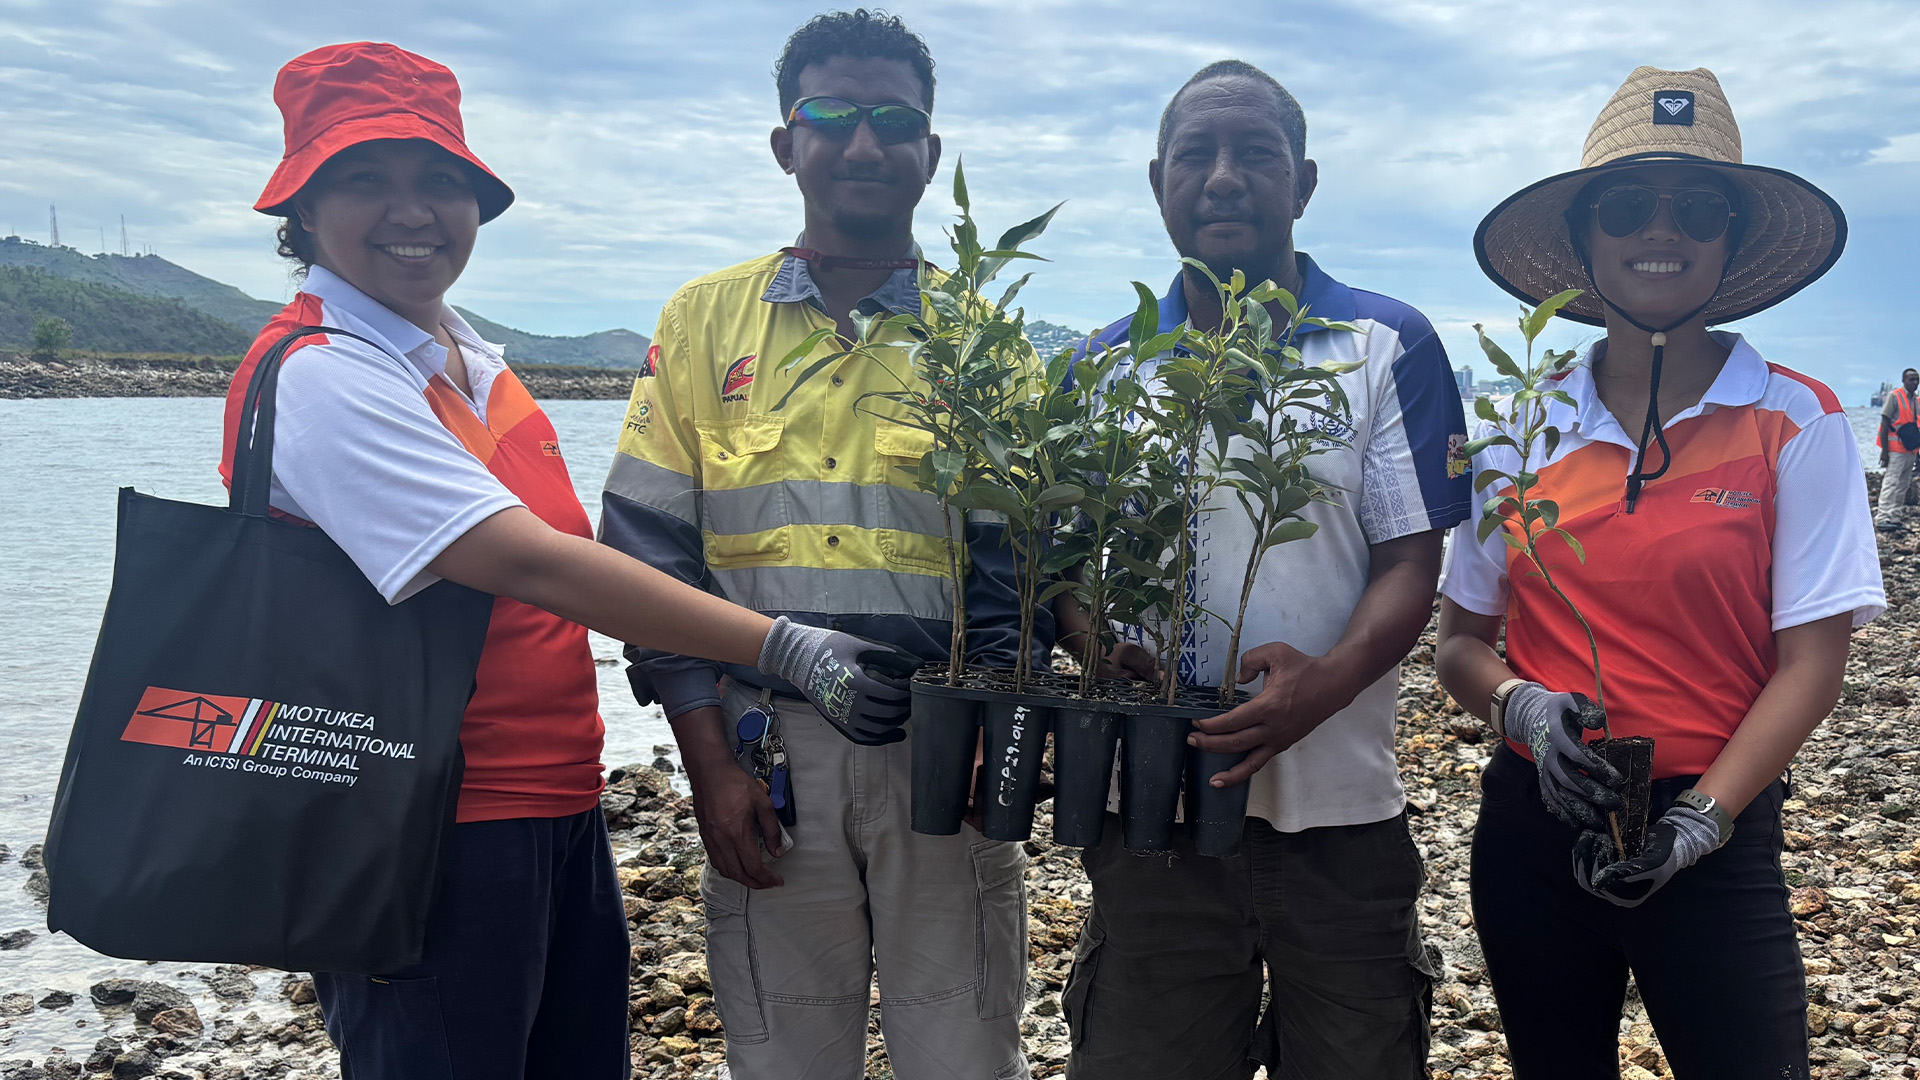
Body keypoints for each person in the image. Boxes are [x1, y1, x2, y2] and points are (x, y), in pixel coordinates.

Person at [224, 42, 915, 1079]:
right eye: (365, 179)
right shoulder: (321, 373)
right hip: (419, 819)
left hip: (552, 802)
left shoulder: (473, 366)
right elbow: (535, 565)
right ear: (304, 209)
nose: (413, 212)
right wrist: (786, 647)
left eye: (440, 180)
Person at [597, 12, 1042, 1080]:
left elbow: (1022, 572)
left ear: (931, 152)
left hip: (941, 755)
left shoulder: (986, 343)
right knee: (783, 1050)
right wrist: (709, 762)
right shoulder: (702, 324)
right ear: (785, 143)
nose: (864, 143)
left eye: (894, 120)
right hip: (762, 751)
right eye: (832, 115)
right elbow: (647, 558)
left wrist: (992, 734)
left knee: (967, 1049)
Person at [1438, 67, 1884, 1077]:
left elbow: (1812, 665)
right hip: (1535, 825)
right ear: (1586, 236)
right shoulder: (1521, 424)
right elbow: (1459, 644)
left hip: (1715, 830)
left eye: (1699, 209)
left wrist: (1701, 822)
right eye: (1628, 204)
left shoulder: (1796, 417)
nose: (1662, 230)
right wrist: (1523, 710)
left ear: (1731, 241)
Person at [1054, 60, 1471, 1080]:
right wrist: (1094, 642)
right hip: (1151, 810)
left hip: (1342, 811)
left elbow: (1411, 558)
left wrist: (1324, 684)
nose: (1223, 178)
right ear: (1158, 182)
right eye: (1195, 155)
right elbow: (1054, 562)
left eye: (1256, 154)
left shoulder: (1385, 345)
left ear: (1305, 183)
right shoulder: (1101, 369)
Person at [1877, 367, 1919, 530]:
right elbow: (1885, 423)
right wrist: (1884, 451)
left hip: (1910, 449)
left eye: (1917, 380)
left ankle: (1895, 516)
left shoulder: (1916, 400)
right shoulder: (1895, 396)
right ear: (1903, 381)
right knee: (1891, 483)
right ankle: (1883, 517)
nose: (1914, 382)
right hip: (1895, 450)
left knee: (1903, 484)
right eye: (1911, 379)